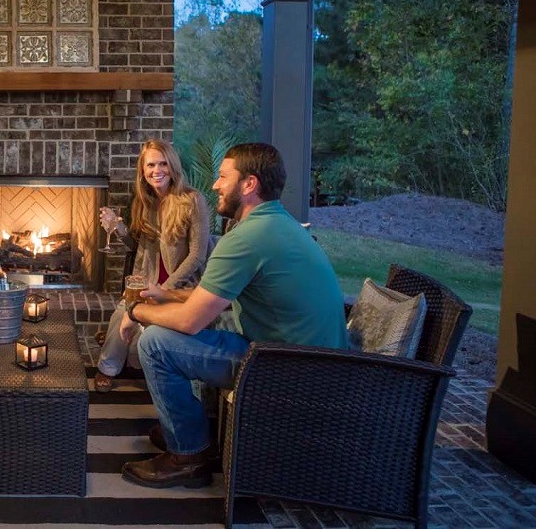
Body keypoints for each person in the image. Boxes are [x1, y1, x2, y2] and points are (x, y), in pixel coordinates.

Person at [118, 142, 348, 489]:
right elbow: (217, 298)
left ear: (249, 184)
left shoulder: (245, 240)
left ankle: (189, 454)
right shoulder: (276, 224)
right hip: (312, 358)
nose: (214, 185)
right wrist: (166, 294)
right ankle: (193, 427)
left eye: (223, 176)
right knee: (187, 328)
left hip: (286, 367)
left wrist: (135, 310)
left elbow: (189, 321)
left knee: (155, 344)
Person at [94, 139, 210, 392]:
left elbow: (197, 255)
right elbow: (135, 245)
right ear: (143, 171)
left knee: (143, 337)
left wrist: (164, 290)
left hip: (180, 286)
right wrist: (118, 228)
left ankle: (135, 361)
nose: (156, 170)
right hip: (143, 279)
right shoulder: (143, 202)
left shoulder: (192, 200)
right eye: (150, 165)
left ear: (173, 166)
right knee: (120, 315)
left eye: (162, 164)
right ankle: (107, 368)